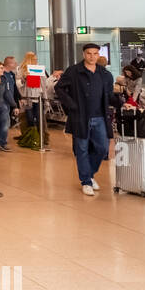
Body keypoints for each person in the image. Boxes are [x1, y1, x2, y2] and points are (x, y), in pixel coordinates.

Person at [54, 43, 114, 196]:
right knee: (81, 149)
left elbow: (109, 96)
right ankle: (86, 181)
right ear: (84, 54)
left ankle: (89, 173)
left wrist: (123, 103)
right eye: (89, 53)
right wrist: (72, 105)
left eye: (95, 54)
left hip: (100, 117)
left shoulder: (105, 74)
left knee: (102, 148)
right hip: (81, 117)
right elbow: (59, 88)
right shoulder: (74, 71)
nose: (92, 56)